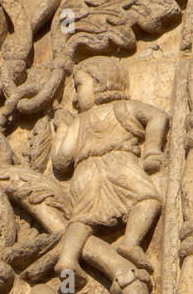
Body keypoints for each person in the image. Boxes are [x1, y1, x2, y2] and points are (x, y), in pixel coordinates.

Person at [52, 57, 168, 281]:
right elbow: (158, 116)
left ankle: (67, 260)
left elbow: (61, 161)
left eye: (79, 87)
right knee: (148, 200)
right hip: (120, 164)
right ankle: (130, 242)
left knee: (82, 219)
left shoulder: (79, 122)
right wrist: (152, 150)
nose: (75, 99)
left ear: (100, 83)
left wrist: (62, 130)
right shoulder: (124, 108)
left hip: (85, 173)